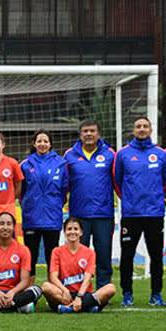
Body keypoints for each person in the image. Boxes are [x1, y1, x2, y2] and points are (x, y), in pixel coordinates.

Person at [113, 117, 166, 307]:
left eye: (145, 126)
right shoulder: (123, 154)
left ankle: (156, 294)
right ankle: (127, 294)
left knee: (156, 256)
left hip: (154, 214)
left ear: (151, 129)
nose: (142, 129)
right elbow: (117, 181)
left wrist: (153, 197)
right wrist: (129, 199)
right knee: (127, 256)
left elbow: (165, 180)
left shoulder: (161, 154)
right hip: (131, 214)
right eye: (138, 126)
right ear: (133, 130)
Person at [64, 120, 116, 288]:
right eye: (85, 131)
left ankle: (103, 290)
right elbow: (64, 183)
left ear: (98, 134)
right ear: (80, 134)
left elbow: (118, 180)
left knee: (103, 255)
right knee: (77, 256)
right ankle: (78, 289)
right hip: (79, 216)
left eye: (92, 131)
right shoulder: (69, 155)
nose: (88, 134)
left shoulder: (109, 154)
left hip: (103, 215)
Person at [20, 129, 68, 283]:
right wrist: (30, 205)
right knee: (30, 257)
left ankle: (53, 292)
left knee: (52, 257)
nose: (42, 144)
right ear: (34, 143)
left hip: (52, 217)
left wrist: (54, 204)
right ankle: (28, 293)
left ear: (50, 144)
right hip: (31, 218)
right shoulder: (26, 164)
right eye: (39, 141)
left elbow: (65, 188)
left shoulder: (61, 163)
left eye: (45, 141)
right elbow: (21, 191)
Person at [41, 217, 116, 314]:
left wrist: (79, 297)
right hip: (64, 294)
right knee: (46, 286)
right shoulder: (57, 251)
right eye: (69, 229)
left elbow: (87, 278)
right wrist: (65, 291)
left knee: (110, 288)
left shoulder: (89, 252)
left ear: (81, 232)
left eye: (76, 229)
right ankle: (87, 307)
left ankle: (68, 308)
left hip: (83, 293)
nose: (72, 232)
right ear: (64, 232)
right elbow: (53, 277)